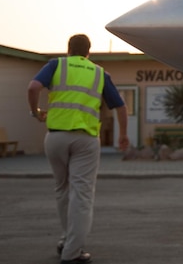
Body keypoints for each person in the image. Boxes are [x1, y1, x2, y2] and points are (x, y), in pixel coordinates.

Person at [27, 34, 129, 264]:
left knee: (62, 189)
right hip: (85, 140)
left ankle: (66, 239)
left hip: (55, 137)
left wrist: (36, 112)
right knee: (81, 194)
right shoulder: (99, 73)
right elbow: (121, 107)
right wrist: (122, 135)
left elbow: (33, 87)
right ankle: (72, 252)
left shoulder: (56, 65)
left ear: (68, 49)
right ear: (88, 52)